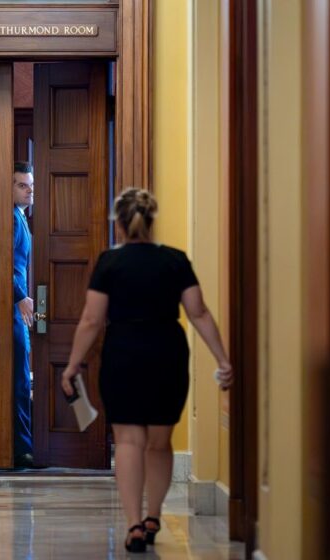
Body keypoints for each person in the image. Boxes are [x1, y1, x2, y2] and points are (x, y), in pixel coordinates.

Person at [60, 188, 233, 552]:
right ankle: (154, 515)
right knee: (159, 441)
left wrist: (73, 364)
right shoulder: (175, 260)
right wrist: (222, 359)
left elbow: (92, 319)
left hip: (123, 352)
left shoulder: (109, 263)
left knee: (128, 441)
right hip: (166, 352)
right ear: (151, 222)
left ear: (118, 224)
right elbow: (198, 312)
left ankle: (134, 524)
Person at [13, 161, 35, 468]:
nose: (29, 190)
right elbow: (6, 261)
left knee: (23, 378)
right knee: (19, 380)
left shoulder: (22, 216)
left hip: (20, 304)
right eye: (22, 185)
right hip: (11, 305)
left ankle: (24, 445)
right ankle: (22, 449)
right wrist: (20, 297)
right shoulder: (11, 219)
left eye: (31, 185)